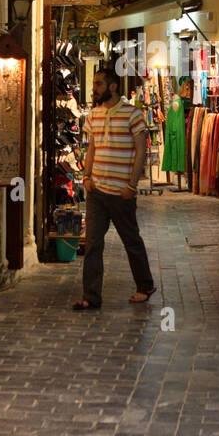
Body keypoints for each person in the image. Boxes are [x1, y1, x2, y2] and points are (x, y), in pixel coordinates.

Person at [72, 66, 156, 310]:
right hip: (97, 190)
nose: (94, 88)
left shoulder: (133, 114)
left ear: (112, 86)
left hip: (121, 192)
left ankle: (144, 285)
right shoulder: (94, 115)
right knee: (93, 244)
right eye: (94, 83)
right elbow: (93, 148)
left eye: (98, 84)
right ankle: (91, 297)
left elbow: (141, 150)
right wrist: (86, 177)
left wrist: (132, 184)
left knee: (131, 240)